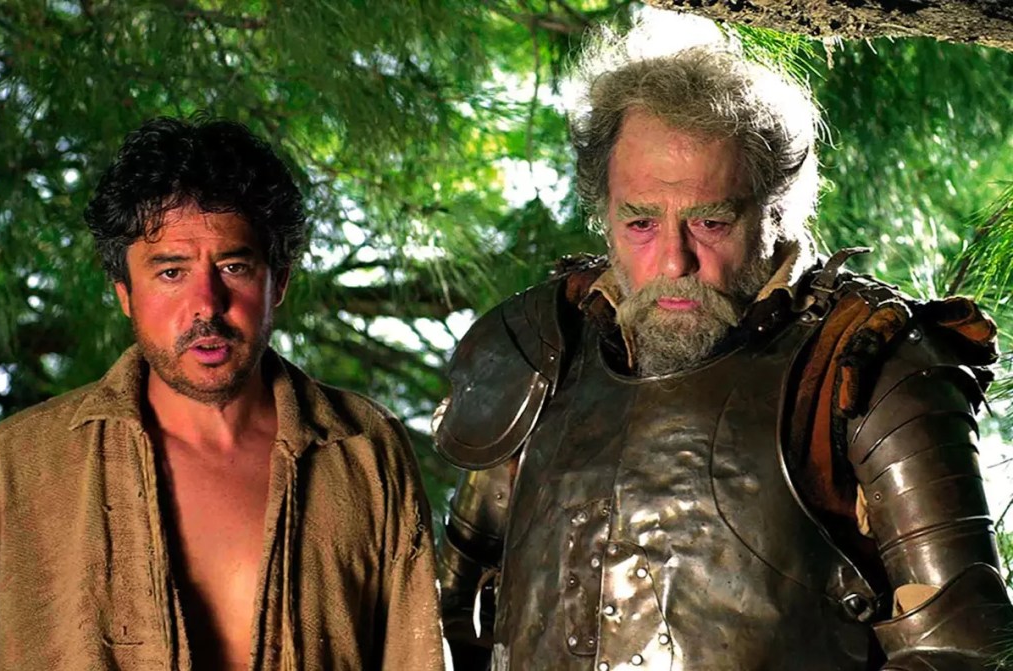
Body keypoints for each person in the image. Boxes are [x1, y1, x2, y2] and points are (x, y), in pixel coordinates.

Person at [433, 13, 1013, 671]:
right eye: (641, 223)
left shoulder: (866, 362)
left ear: (777, 211)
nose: (673, 261)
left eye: (710, 222)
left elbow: (965, 652)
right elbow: (446, 618)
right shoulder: (542, 345)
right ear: (605, 212)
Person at [0, 117, 446, 670]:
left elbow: (415, 654)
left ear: (278, 283)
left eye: (233, 267)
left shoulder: (366, 449)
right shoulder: (15, 466)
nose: (206, 304)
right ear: (125, 293)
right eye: (171, 272)